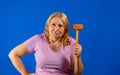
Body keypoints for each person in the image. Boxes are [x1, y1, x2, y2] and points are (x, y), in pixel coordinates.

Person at [8, 12, 84, 75]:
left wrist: (78, 57)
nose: (56, 29)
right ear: (48, 26)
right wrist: (26, 74)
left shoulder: (72, 43)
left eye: (60, 26)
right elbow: (13, 54)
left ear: (65, 29)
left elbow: (77, 73)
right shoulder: (38, 39)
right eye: (53, 24)